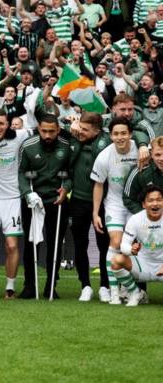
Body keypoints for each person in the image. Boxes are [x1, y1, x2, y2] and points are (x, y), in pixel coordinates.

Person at [18, 114, 72, 299]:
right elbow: (21, 172)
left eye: (51, 131)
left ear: (58, 130)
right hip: (33, 200)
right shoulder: (28, 146)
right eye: (44, 131)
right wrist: (27, 193)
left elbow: (71, 172)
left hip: (57, 200)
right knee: (31, 243)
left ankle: (51, 286)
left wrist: (66, 188)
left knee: (55, 245)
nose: (47, 135)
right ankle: (29, 286)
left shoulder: (66, 145)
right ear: (38, 129)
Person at [0, 109, 31, 300]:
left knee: (11, 245)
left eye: (1, 123)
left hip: (12, 199)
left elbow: (41, 129)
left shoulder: (20, 136)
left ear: (8, 124)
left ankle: (10, 287)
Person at [91, 117, 138, 305]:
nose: (120, 137)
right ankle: (114, 292)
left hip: (135, 204)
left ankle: (129, 288)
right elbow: (98, 185)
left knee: (133, 246)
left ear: (130, 134)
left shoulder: (141, 151)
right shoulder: (104, 156)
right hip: (115, 204)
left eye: (123, 133)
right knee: (117, 242)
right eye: (116, 134)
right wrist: (96, 213)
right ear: (111, 136)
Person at [67, 112, 110, 302]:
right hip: (78, 199)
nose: (80, 131)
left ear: (97, 130)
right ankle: (85, 285)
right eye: (80, 128)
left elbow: (98, 159)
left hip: (102, 202)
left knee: (104, 245)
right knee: (80, 243)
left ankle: (105, 286)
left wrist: (79, 138)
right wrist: (76, 135)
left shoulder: (106, 142)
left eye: (85, 130)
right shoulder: (75, 139)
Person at [111, 185, 163, 307]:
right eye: (150, 200)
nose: (155, 203)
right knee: (116, 260)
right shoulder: (135, 219)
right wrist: (131, 250)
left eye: (159, 199)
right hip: (143, 265)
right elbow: (124, 245)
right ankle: (135, 292)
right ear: (144, 204)